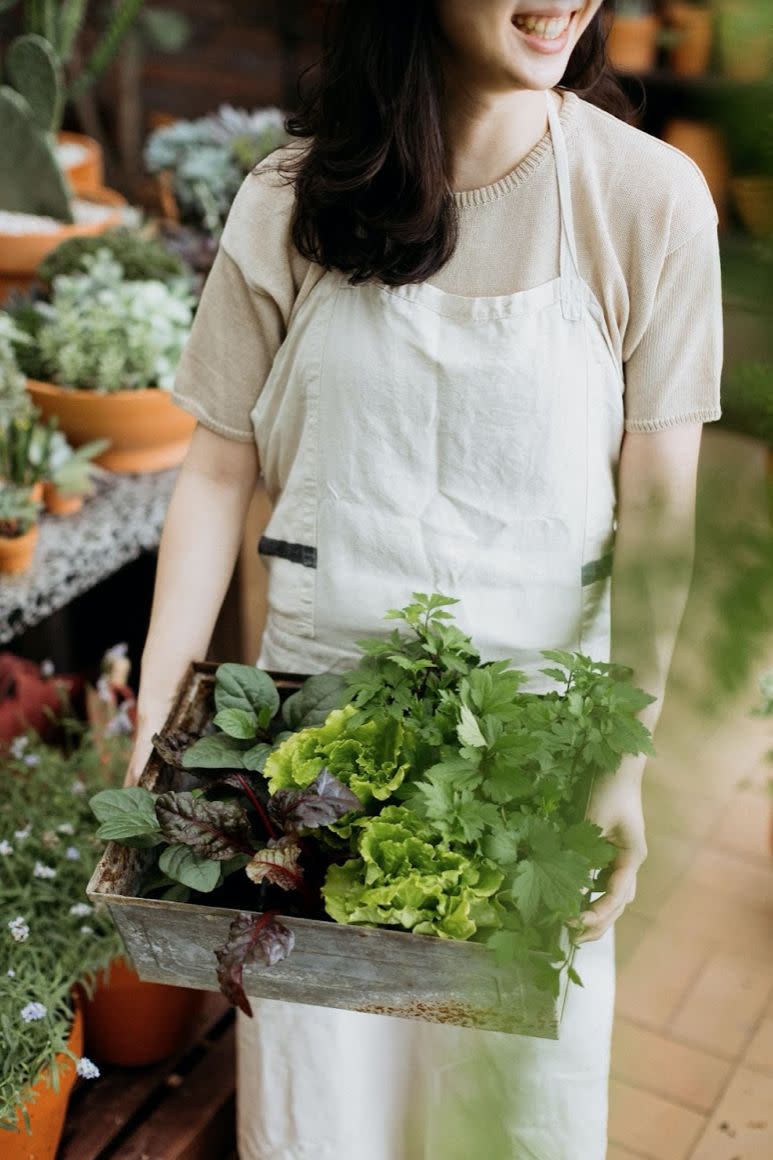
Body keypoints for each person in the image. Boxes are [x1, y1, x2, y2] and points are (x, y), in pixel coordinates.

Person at [126, 1, 723, 1156]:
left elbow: (655, 515)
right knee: (320, 1110)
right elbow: (213, 473)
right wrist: (161, 703)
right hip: (306, 761)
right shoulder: (289, 200)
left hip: (533, 766)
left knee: (510, 1112)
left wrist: (622, 760)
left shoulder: (646, 201)